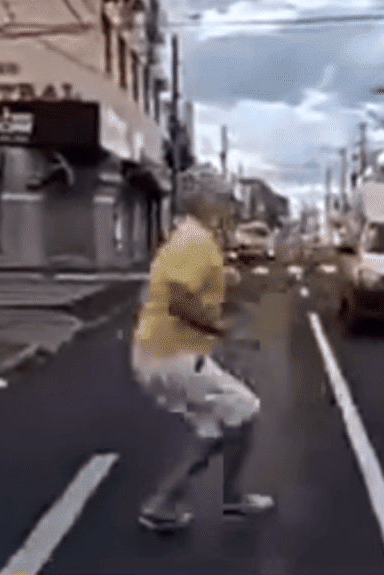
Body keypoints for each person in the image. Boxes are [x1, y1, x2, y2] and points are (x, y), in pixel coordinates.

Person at [131, 183, 273, 533]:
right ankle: (231, 496)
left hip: (159, 353)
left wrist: (223, 279)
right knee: (245, 408)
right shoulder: (196, 242)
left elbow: (166, 290)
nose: (230, 210)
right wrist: (224, 332)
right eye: (225, 202)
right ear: (207, 205)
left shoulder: (187, 238)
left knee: (210, 431)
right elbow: (178, 300)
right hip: (171, 356)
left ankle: (162, 504)